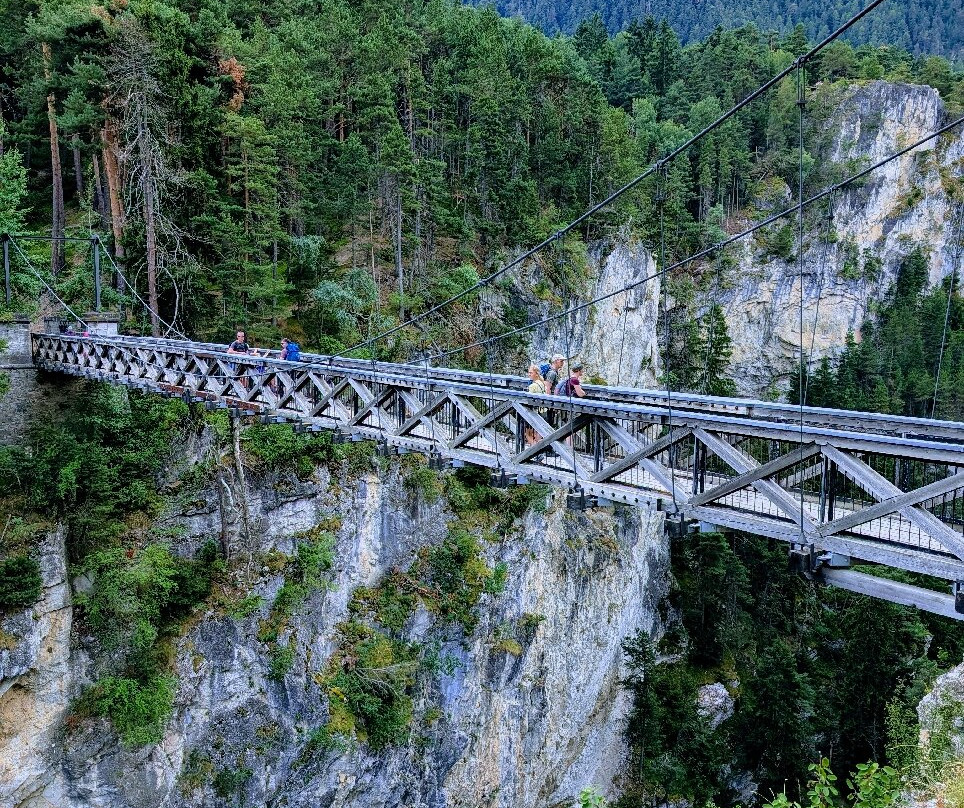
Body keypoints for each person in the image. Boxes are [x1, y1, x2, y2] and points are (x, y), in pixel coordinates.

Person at [525, 363, 547, 446]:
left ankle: (536, 452)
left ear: (536, 374)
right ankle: (538, 451)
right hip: (543, 411)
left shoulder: (532, 386)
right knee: (537, 434)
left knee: (528, 434)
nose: (529, 374)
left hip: (534, 412)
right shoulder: (542, 383)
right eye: (529, 372)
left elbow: (528, 400)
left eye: (531, 373)